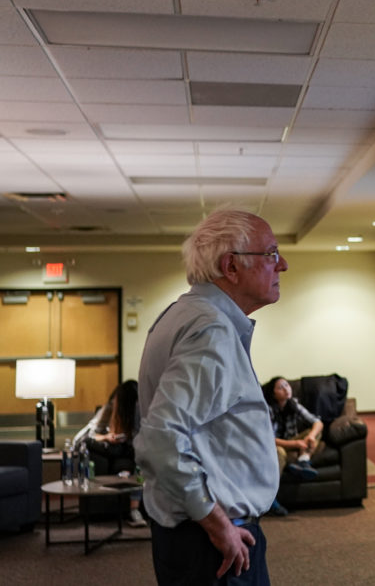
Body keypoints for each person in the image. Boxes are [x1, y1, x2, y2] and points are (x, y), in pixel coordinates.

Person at [135, 209, 288, 586]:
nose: (282, 264)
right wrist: (218, 524)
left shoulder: (181, 314)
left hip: (194, 536)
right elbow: (160, 440)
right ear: (231, 266)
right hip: (214, 544)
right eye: (270, 254)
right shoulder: (210, 330)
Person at [73, 380, 146, 527]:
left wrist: (128, 437)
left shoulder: (139, 410)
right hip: (110, 449)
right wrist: (107, 437)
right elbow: (83, 437)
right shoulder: (109, 409)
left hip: (129, 451)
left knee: (132, 464)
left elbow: (141, 438)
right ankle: (131, 509)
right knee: (90, 445)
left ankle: (133, 508)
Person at [261, 377, 324, 516]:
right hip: (277, 445)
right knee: (279, 453)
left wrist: (311, 436)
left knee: (314, 432)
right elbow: (267, 439)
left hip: (293, 442)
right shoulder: (268, 409)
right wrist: (295, 444)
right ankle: (271, 499)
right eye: (280, 387)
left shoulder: (293, 404)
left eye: (287, 385)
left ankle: (303, 461)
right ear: (273, 394)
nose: (286, 389)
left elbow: (317, 422)